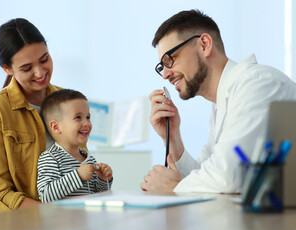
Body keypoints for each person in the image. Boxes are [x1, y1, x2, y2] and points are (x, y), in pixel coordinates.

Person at [140, 9, 296, 193]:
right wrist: (172, 138)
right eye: (162, 66)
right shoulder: (221, 103)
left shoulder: (257, 84)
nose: (165, 74)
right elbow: (207, 176)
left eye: (170, 60)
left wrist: (172, 187)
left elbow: (228, 177)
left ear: (204, 44)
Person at [0, 18, 66, 214]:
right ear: (7, 69)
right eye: (27, 68)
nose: (40, 72)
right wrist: (51, 213)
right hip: (12, 224)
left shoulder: (66, 101)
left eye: (44, 59)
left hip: (61, 219)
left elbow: (79, 164)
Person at [37, 89, 113, 202]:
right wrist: (78, 176)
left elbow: (99, 196)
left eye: (88, 117)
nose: (87, 123)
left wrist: (103, 179)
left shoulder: (90, 160)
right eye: (78, 117)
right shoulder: (50, 158)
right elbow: (46, 196)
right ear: (56, 127)